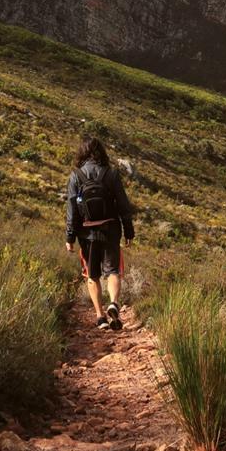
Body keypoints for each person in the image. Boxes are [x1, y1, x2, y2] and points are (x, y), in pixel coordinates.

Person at [65, 136, 134, 330]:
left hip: (86, 232)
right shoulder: (111, 174)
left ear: (82, 153)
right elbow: (123, 205)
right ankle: (113, 302)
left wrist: (70, 237)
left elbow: (72, 209)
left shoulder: (75, 176)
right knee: (112, 271)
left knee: (91, 274)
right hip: (111, 229)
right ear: (101, 153)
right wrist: (129, 230)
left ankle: (100, 317)